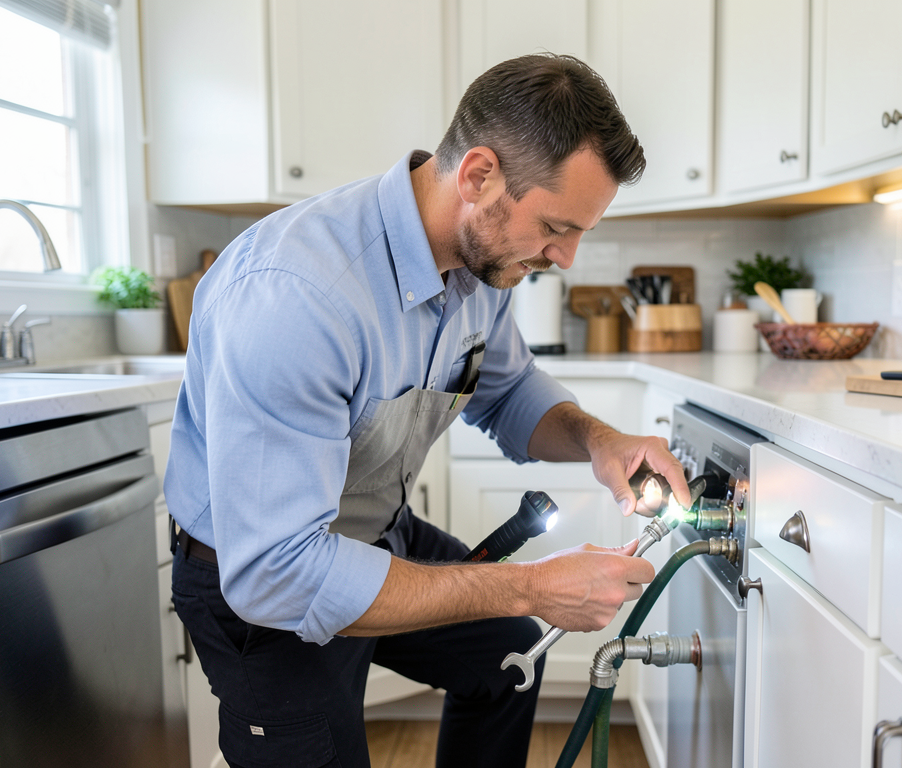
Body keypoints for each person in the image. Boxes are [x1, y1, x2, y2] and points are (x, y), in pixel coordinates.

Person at [164, 52, 691, 768]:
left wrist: (599, 441)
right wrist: (531, 585)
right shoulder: (298, 296)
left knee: (506, 658)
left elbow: (509, 392)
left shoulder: (484, 266)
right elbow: (278, 572)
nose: (565, 257)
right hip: (262, 587)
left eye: (579, 234)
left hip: (376, 533)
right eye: (556, 226)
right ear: (479, 176)